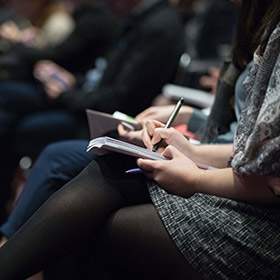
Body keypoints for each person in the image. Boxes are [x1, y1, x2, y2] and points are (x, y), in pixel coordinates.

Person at [0, 0, 280, 278]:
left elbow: (267, 175)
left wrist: (195, 175)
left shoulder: (158, 25)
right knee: (106, 165)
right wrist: (189, 150)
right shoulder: (259, 23)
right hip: (230, 167)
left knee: (90, 207)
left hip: (263, 220)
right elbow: (249, 148)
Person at [0, 0, 184, 223]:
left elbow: (116, 101)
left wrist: (65, 94)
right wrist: (73, 83)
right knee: (9, 101)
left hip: (108, 124)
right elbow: (103, 80)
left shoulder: (157, 26)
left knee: (32, 140)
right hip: (90, 106)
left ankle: (9, 238)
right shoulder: (141, 19)